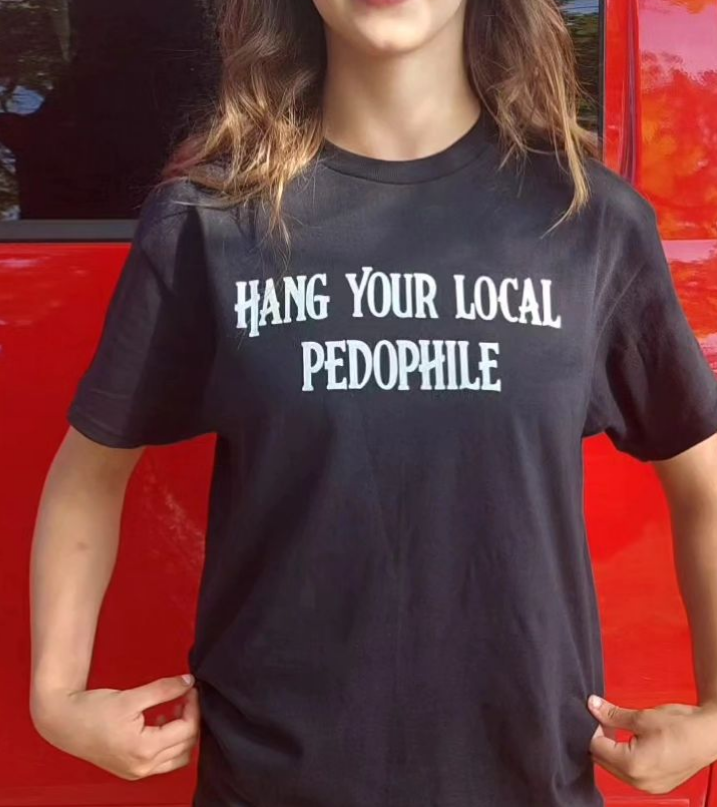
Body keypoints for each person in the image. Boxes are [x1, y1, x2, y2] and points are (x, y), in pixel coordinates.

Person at [28, 0, 717, 806]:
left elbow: (701, 482)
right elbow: (90, 471)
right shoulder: (208, 222)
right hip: (272, 780)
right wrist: (57, 696)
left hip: (525, 777)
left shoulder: (585, 220)